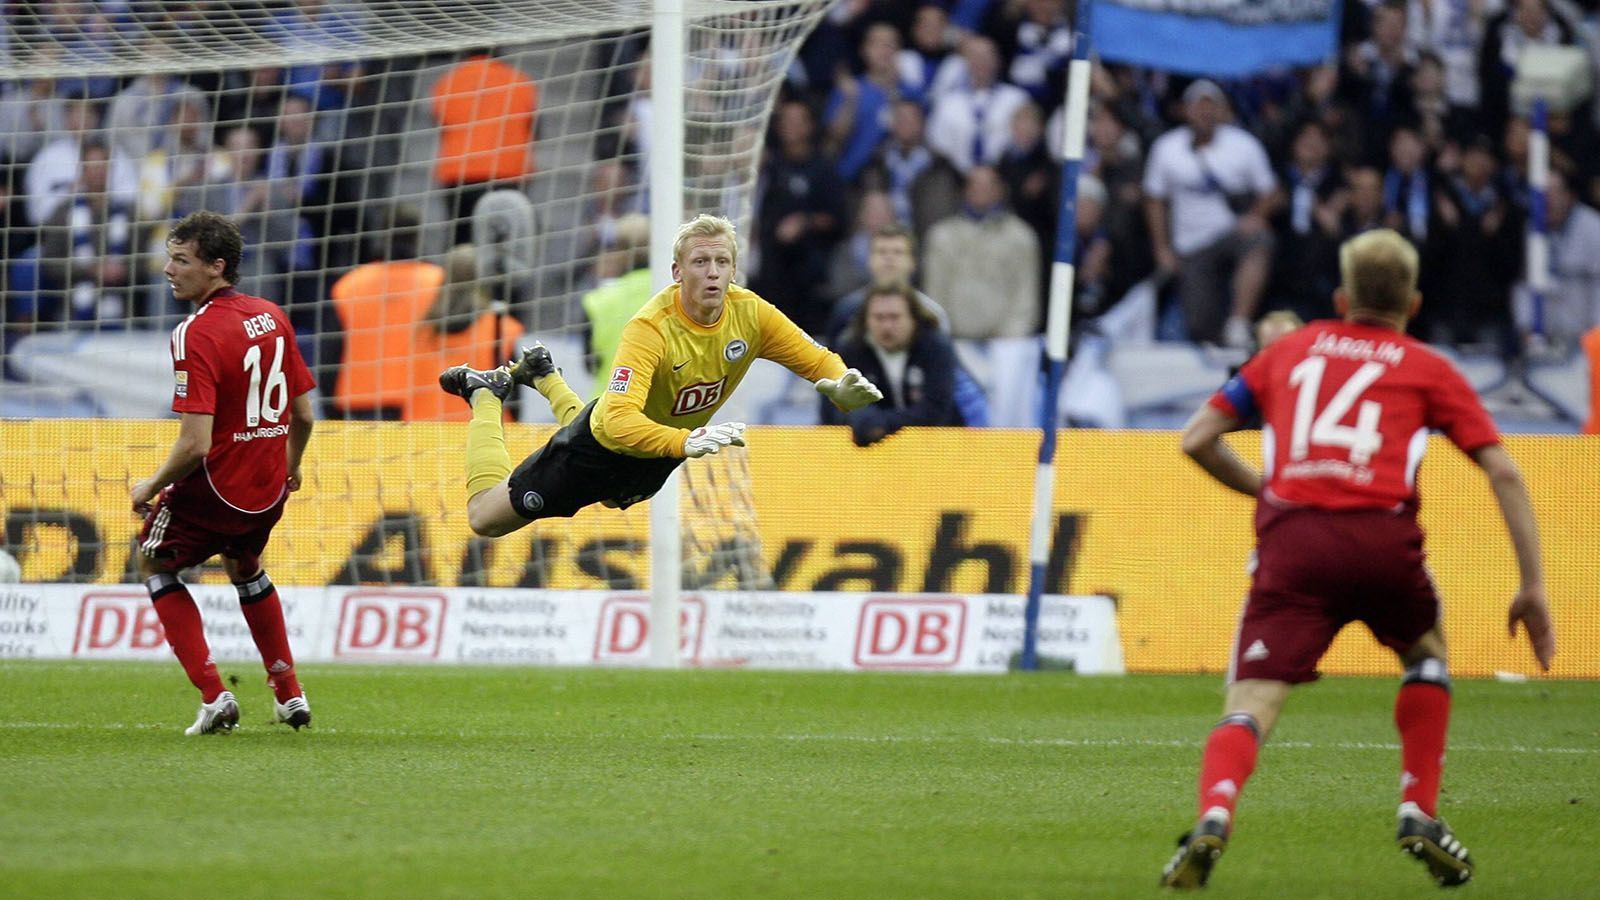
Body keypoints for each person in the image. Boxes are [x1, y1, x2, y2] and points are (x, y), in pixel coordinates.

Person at [1160, 229, 1556, 889]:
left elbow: (1196, 438)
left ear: (1342, 296)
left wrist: (1278, 489)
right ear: (1414, 302)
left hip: (1295, 546)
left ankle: (1216, 813)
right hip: (1383, 540)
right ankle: (1418, 807)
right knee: (1426, 653)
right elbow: (1504, 473)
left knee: (1254, 696)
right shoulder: (1428, 367)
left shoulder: (1288, 350)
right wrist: (1533, 585)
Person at [437, 213, 883, 535]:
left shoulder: (751, 314)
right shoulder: (651, 328)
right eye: (700, 262)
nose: (713, 273)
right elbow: (617, 421)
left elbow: (813, 357)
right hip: (603, 448)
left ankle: (545, 376)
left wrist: (838, 383)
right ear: (676, 271)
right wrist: (683, 441)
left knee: (615, 499)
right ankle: (485, 393)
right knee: (485, 519)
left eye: (722, 263)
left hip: (662, 453)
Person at [130, 211, 317, 736]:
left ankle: (215, 697)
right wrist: (290, 470)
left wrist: (151, 484)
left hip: (215, 489)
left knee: (151, 562)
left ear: (216, 267)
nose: (168, 269)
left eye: (181, 260)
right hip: (266, 489)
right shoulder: (272, 315)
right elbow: (302, 415)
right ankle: (288, 692)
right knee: (246, 567)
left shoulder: (196, 333)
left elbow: (194, 444)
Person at [1142, 79, 1277, 348]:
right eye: (1198, 106)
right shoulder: (1166, 148)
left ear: (1222, 111)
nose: (1204, 113)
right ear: (1185, 110)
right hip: (1190, 245)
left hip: (1230, 234)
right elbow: (1154, 199)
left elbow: (1270, 191)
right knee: (1199, 324)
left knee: (1261, 239)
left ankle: (1239, 322)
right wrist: (1161, 248)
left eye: (1210, 107)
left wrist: (1256, 215)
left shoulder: (1243, 145)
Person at [328, 205, 444, 419]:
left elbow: (330, 350)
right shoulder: (438, 283)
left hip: (361, 399)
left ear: (382, 234)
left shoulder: (349, 285)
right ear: (417, 236)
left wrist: (330, 407)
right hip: (420, 399)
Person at [823, 281, 966, 446]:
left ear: (913, 318)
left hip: (937, 446)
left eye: (895, 317)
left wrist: (881, 423)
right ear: (866, 319)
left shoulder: (936, 346)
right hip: (872, 450)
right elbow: (835, 409)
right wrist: (862, 418)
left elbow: (936, 410)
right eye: (879, 317)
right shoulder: (850, 349)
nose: (887, 326)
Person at [406, 244, 525, 422]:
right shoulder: (504, 330)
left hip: (425, 435)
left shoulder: (420, 331)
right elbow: (517, 400)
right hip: (484, 436)